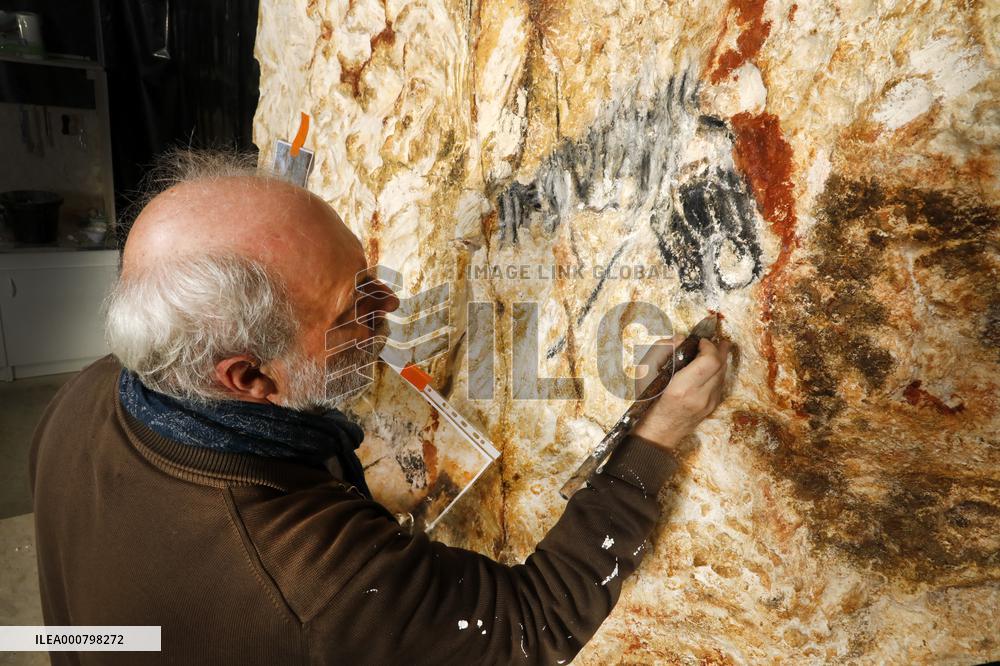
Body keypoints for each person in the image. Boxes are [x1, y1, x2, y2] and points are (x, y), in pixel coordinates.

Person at [29, 150, 731, 665]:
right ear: (249, 376)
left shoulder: (82, 395)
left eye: (373, 276)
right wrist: (659, 429)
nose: (391, 306)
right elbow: (531, 623)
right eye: (356, 305)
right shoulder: (316, 582)